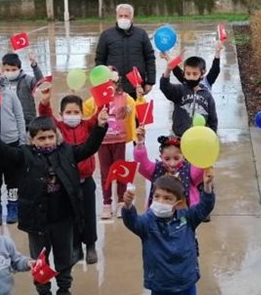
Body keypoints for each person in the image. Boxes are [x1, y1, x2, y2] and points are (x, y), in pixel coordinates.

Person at [0, 112, 108, 295]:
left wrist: (101, 127)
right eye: (41, 138)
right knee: (39, 261)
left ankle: (64, 294)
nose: (47, 141)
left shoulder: (67, 151)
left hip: (63, 218)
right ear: (32, 140)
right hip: (36, 221)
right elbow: (4, 152)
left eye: (50, 136)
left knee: (64, 260)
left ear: (56, 135)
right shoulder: (24, 155)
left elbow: (89, 148)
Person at [37, 91, 100, 264]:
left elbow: (100, 118)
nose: (72, 116)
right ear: (61, 114)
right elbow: (45, 116)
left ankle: (91, 246)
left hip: (86, 181)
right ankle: (76, 247)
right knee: (71, 216)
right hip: (66, 183)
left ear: (82, 113)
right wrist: (44, 102)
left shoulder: (87, 126)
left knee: (88, 214)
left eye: (76, 112)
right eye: (68, 112)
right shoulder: (58, 128)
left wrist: (103, 100)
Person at [83, 68, 137, 219]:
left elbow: (134, 110)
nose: (109, 85)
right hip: (102, 141)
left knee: (121, 171)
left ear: (116, 81)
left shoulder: (125, 98)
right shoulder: (94, 100)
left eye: (111, 82)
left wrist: (131, 108)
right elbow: (86, 114)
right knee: (105, 173)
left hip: (119, 140)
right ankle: (107, 203)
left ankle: (120, 202)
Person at [0, 62, 27, 223]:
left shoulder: (10, 94)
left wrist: (22, 140)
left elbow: (19, 117)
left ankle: (13, 206)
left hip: (11, 143)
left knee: (13, 178)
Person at [134, 126, 205, 208]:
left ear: (184, 156)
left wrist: (203, 150)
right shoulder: (156, 169)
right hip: (159, 214)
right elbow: (142, 164)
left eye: (176, 158)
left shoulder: (189, 170)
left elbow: (201, 167)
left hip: (185, 214)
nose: (172, 163)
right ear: (161, 157)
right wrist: (139, 144)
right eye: (167, 159)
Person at [95, 3, 156, 97]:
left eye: (126, 16)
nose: (123, 18)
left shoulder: (141, 34)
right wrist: (101, 83)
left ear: (132, 17)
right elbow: (99, 60)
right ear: (116, 17)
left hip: (136, 88)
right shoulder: (106, 35)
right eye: (120, 16)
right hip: (113, 87)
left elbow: (150, 58)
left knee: (134, 111)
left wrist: (150, 82)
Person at [160, 55, 218, 137]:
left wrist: (212, 136)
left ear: (202, 74)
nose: (191, 77)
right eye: (188, 74)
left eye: (195, 74)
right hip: (179, 136)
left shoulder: (207, 96)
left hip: (200, 137)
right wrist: (168, 70)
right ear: (184, 74)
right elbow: (164, 87)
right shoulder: (179, 90)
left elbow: (213, 120)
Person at [1, 51, 44, 125]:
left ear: (20, 68)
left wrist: (34, 65)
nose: (10, 72)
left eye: (14, 70)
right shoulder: (0, 83)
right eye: (7, 70)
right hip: (8, 121)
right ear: (3, 69)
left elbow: (39, 81)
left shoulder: (26, 80)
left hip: (27, 121)